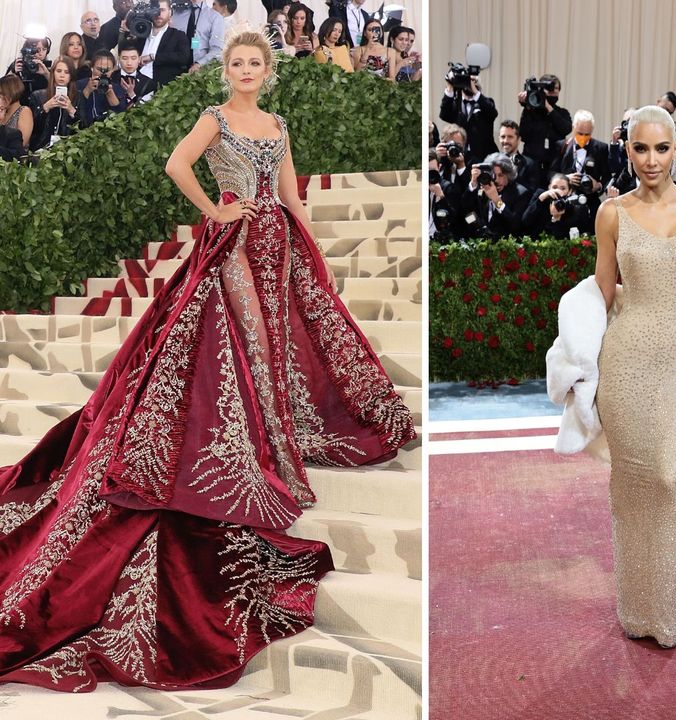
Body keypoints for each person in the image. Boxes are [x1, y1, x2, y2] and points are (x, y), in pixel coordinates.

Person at [0, 27, 415, 691]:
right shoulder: (213, 117)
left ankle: (273, 445)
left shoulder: (276, 123)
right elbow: (175, 165)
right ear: (227, 70)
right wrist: (213, 212)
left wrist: (316, 256)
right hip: (236, 245)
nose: (248, 69)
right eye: (239, 62)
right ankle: (253, 456)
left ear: (267, 70)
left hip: (276, 241)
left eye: (256, 62)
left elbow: (291, 194)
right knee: (248, 342)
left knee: (274, 344)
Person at [545, 104, 676, 649]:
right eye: (640, 148)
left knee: (668, 477)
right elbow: (599, 291)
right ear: (628, 149)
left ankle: (662, 613)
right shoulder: (612, 213)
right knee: (633, 483)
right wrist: (580, 365)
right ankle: (634, 608)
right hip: (626, 360)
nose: (651, 160)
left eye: (661, 148)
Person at [456, 153, 531, 240]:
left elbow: (514, 226)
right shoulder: (484, 189)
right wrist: (473, 183)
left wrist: (496, 200)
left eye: (501, 175)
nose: (497, 180)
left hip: (506, 248)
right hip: (480, 246)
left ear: (509, 175)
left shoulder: (521, 193)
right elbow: (464, 212)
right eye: (493, 175)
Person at [551, 109, 609, 213]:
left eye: (587, 134)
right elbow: (550, 173)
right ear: (573, 128)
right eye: (580, 133)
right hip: (565, 203)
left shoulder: (601, 148)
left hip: (590, 203)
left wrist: (598, 186)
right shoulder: (561, 146)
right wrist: (565, 178)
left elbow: (607, 177)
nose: (583, 137)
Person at [517, 73, 572, 174]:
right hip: (532, 165)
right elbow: (523, 135)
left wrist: (548, 107)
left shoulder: (562, 113)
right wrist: (528, 107)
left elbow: (566, 129)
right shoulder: (531, 112)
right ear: (541, 89)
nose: (553, 91)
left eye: (556, 88)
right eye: (549, 88)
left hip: (554, 166)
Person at [439, 71, 497, 163]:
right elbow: (444, 114)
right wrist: (450, 86)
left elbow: (492, 113)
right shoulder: (456, 104)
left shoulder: (486, 102)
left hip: (484, 156)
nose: (469, 83)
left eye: (473, 80)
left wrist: (475, 91)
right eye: (466, 80)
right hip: (461, 156)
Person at [28, 58, 80, 150]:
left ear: (71, 75)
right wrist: (45, 108)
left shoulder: (78, 97)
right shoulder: (38, 95)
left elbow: (84, 128)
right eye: (59, 71)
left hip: (68, 149)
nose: (62, 75)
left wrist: (71, 110)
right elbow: (32, 127)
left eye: (66, 72)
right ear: (53, 73)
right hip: (41, 147)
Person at [139, 0, 193, 88]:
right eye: (155, 10)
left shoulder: (178, 35)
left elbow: (183, 57)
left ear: (170, 12)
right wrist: (123, 32)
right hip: (137, 84)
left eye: (162, 10)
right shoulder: (141, 34)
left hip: (162, 88)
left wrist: (153, 57)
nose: (158, 14)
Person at [521, 172, 591, 239]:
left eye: (563, 188)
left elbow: (563, 239)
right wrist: (540, 199)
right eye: (554, 187)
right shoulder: (541, 196)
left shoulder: (574, 205)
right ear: (549, 187)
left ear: (570, 191)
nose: (558, 191)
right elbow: (525, 221)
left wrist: (556, 218)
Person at [76, 50, 127, 127]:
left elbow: (121, 115)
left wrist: (110, 93)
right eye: (99, 69)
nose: (103, 73)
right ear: (92, 67)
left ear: (113, 69)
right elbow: (74, 111)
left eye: (107, 70)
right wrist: (87, 91)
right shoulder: (79, 84)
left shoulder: (117, 88)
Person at [112, 42, 158, 107]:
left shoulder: (148, 83)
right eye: (125, 58)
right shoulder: (111, 78)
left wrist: (132, 94)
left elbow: (144, 110)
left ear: (139, 59)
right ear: (119, 59)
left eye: (133, 58)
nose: (129, 63)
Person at [191, 0, 233, 70]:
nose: (213, 7)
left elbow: (217, 49)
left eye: (215, 5)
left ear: (224, 8)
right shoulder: (176, 12)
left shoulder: (217, 19)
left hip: (201, 67)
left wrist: (199, 63)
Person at [0, 75, 34, 151]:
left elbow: (21, 143)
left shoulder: (24, 112)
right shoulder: (3, 111)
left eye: (2, 94)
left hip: (15, 159)